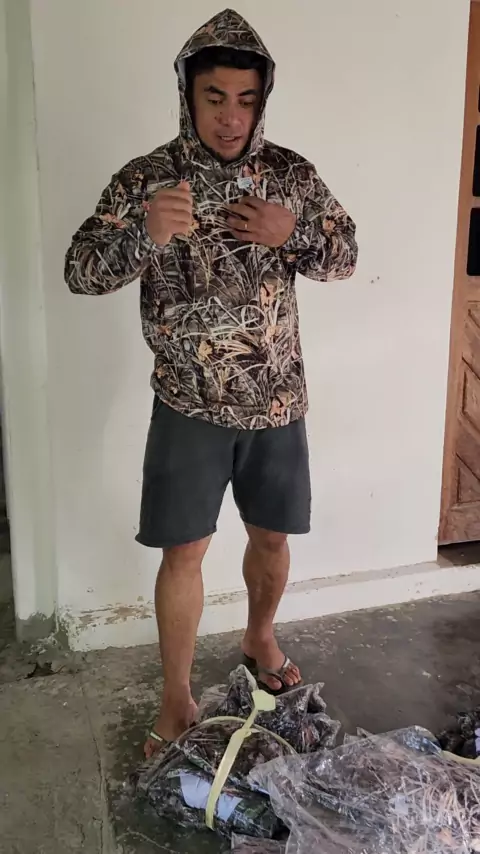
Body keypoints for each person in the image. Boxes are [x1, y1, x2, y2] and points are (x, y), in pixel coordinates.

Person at [65, 7, 357, 758]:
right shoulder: (146, 180)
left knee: (272, 536)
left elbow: (346, 255)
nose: (231, 116)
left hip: (277, 399)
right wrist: (144, 233)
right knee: (184, 552)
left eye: (246, 100)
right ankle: (176, 695)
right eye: (215, 97)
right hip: (187, 403)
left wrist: (292, 233)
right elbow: (80, 272)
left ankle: (260, 636)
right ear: (188, 95)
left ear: (263, 100)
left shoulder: (290, 175)